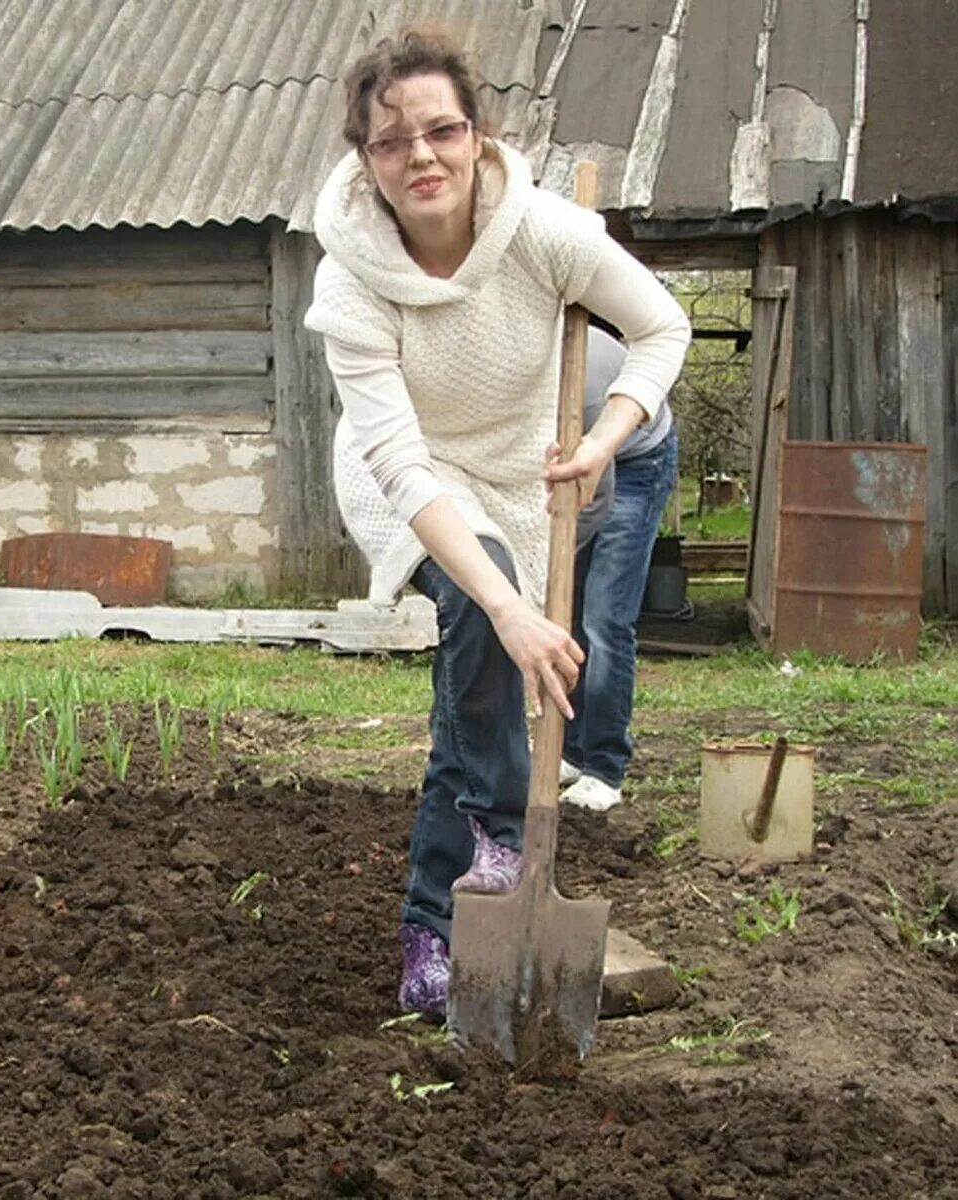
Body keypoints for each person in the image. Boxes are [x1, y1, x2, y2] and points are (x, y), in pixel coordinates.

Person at [304, 32, 690, 1019]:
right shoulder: (349, 281)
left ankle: (438, 917)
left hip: (525, 469)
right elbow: (399, 461)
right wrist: (510, 606)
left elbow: (660, 327)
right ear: (366, 158)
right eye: (393, 142)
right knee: (487, 622)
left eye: (442, 130)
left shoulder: (544, 233)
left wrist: (607, 435)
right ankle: (493, 841)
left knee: (474, 684)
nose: (421, 155)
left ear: (477, 136)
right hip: (409, 478)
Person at [559, 325, 680, 813]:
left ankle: (604, 768)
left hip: (634, 464)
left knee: (605, 619)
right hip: (580, 465)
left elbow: (598, 491)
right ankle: (568, 751)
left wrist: (558, 555)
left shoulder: (582, 390)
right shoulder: (512, 380)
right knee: (565, 618)